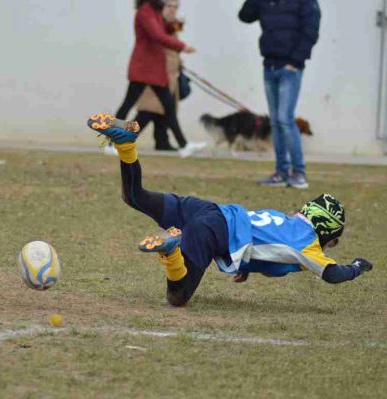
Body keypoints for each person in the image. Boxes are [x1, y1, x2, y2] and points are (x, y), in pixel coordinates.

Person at [86, 113, 373, 306]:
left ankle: (126, 146)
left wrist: (244, 264)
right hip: (212, 230)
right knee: (178, 296)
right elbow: (333, 274)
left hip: (209, 212)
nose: (330, 246)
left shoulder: (285, 220)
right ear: (325, 229)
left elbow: (260, 239)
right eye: (333, 239)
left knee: (135, 196)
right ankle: (172, 250)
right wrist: (357, 267)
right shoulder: (307, 244)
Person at [238, 0, 321, 189]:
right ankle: (281, 172)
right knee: (275, 121)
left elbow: (311, 30)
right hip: (269, 65)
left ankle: (299, 172)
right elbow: (245, 16)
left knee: (285, 118)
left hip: (290, 68)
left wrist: (296, 60)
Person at [108, 0, 206, 158]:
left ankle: (184, 145)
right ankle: (111, 142)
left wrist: (176, 23)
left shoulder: (155, 11)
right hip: (144, 68)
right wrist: (183, 46)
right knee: (127, 106)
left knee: (168, 107)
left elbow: (165, 30)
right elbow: (157, 35)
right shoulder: (145, 12)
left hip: (154, 69)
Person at [134, 0, 185, 152]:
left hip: (169, 76)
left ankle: (162, 142)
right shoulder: (155, 23)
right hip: (155, 74)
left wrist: (179, 62)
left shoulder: (171, 25)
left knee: (163, 111)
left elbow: (173, 48)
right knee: (147, 111)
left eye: (175, 7)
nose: (172, 10)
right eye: (169, 6)